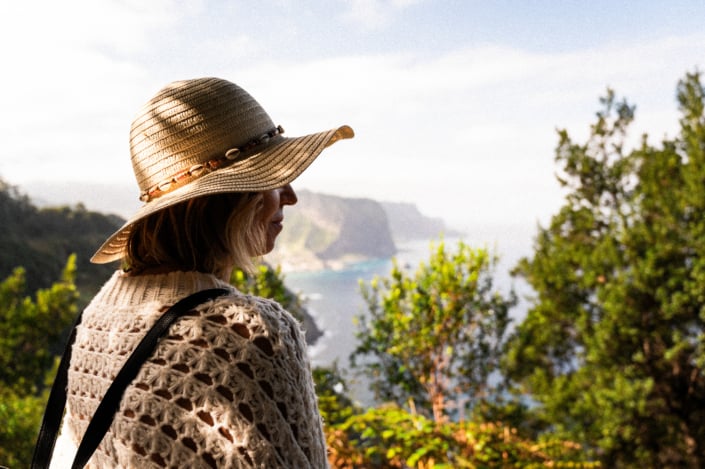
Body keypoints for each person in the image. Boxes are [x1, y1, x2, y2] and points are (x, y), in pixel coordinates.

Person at [49, 77, 353, 468]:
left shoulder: (96, 317)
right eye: (275, 178)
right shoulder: (248, 331)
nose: (291, 196)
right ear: (234, 198)